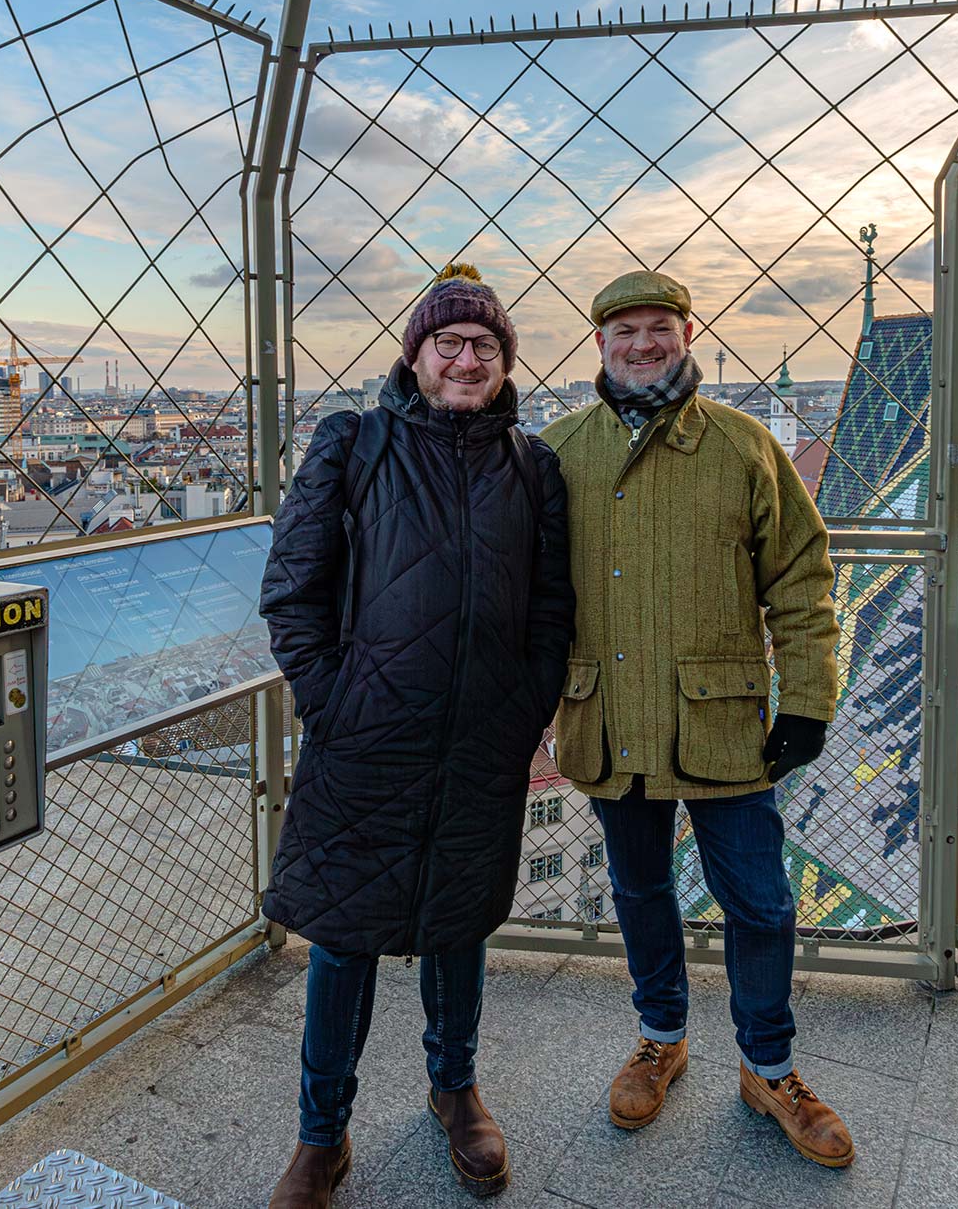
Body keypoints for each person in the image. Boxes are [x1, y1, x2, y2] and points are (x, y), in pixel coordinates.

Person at [259, 264, 575, 1206]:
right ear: (417, 354)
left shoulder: (535, 468)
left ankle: (455, 1091)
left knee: (460, 925)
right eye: (450, 342)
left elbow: (551, 610)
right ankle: (322, 1135)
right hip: (368, 738)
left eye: (485, 345)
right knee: (343, 940)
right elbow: (293, 587)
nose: (467, 358)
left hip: (481, 740)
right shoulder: (353, 443)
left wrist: (525, 709)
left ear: (505, 361)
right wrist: (335, 698)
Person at [541, 268, 852, 1168]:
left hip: (724, 725)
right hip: (611, 715)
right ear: (598, 344)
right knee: (641, 891)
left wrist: (807, 700)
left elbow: (802, 580)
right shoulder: (560, 451)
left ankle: (770, 1065)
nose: (643, 344)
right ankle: (661, 1036)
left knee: (759, 900)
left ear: (687, 336)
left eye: (659, 329)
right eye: (624, 331)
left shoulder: (744, 444)